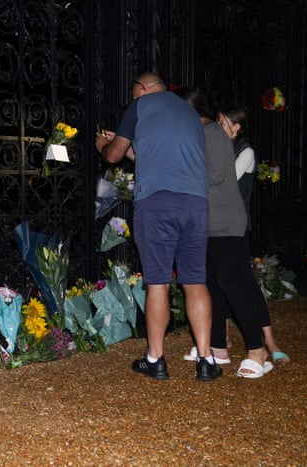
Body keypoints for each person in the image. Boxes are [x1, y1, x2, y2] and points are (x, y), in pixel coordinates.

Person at [94, 73, 221, 381]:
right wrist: (129, 147)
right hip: (194, 202)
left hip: (157, 203)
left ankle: (156, 358)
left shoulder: (140, 106)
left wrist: (104, 145)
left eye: (134, 90)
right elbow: (153, 154)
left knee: (158, 282)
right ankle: (206, 359)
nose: (133, 96)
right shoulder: (189, 112)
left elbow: (113, 156)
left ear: (144, 88)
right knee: (195, 280)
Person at [176, 87, 272, 378]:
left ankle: (258, 350)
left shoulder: (212, 134)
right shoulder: (199, 134)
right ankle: (218, 347)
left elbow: (216, 175)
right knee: (212, 285)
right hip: (208, 222)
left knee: (232, 284)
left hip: (225, 222)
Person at [217, 107, 290, 364]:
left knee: (244, 281)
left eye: (222, 122)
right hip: (217, 225)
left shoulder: (245, 152)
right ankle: (222, 339)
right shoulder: (219, 149)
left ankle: (269, 341)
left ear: (236, 127)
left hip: (236, 226)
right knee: (220, 280)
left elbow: (226, 179)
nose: (218, 126)